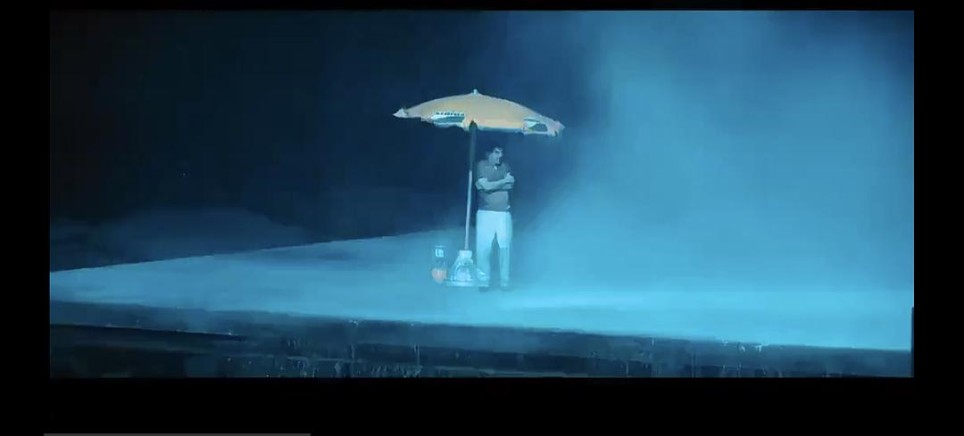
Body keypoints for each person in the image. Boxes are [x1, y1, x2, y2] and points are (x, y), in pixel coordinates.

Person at [474, 144, 515, 290]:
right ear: (488, 153)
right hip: (486, 213)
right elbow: (485, 186)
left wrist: (492, 184)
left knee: (505, 247)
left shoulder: (505, 166)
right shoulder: (482, 166)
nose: (500, 156)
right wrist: (502, 182)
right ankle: (483, 281)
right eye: (497, 153)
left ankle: (505, 281)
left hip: (503, 213)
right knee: (484, 248)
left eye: (501, 153)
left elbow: (510, 184)